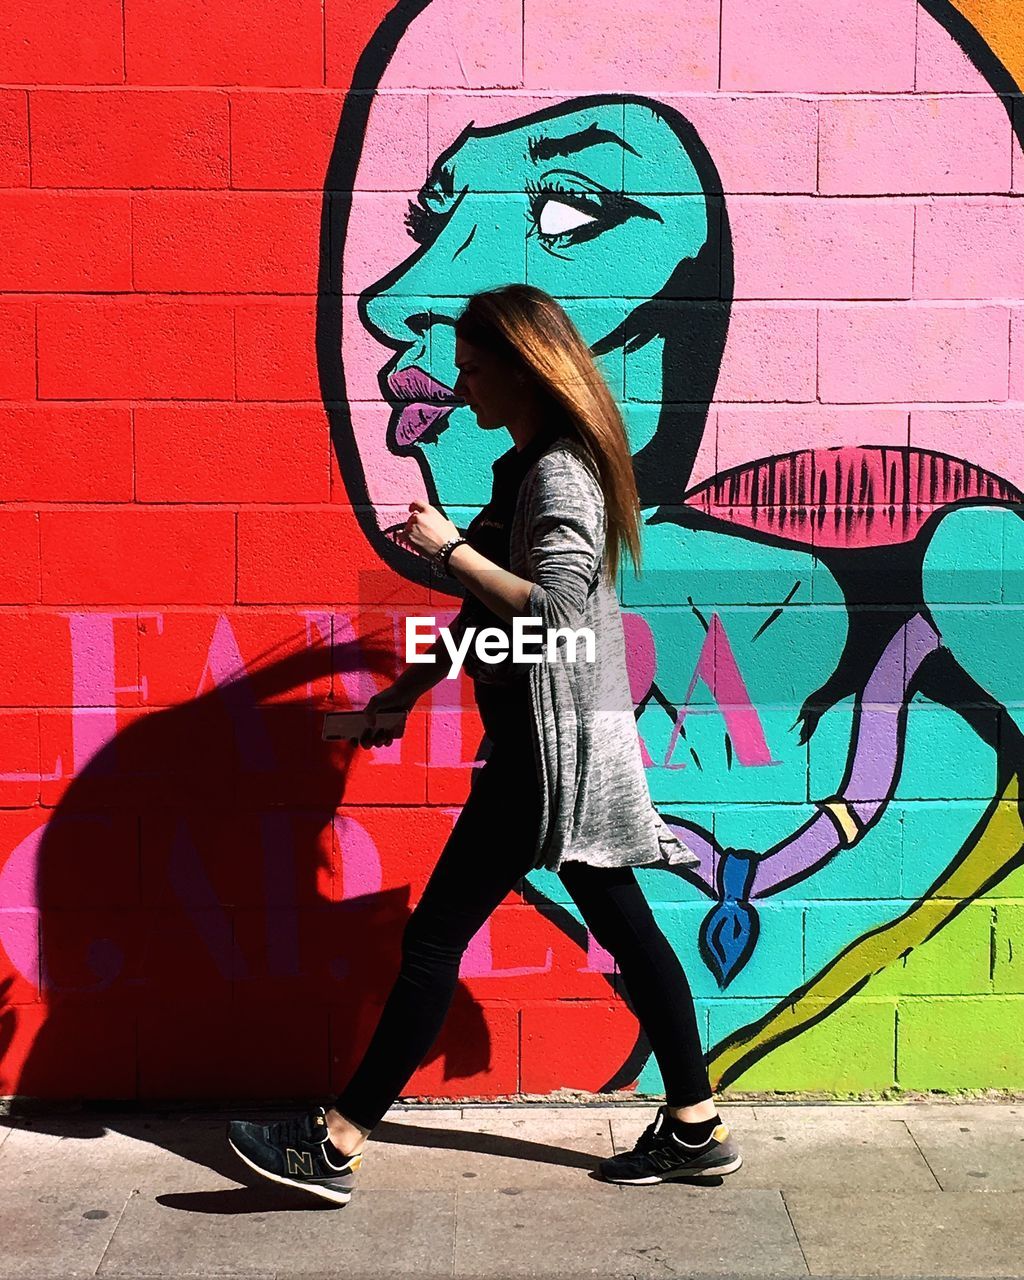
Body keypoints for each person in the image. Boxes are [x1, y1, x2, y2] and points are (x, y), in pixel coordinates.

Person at [227, 285, 742, 1205]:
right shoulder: (523, 468)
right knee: (626, 924)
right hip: (548, 745)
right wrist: (409, 689)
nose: (462, 391)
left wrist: (450, 548)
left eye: (473, 370)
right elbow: (491, 611)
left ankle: (335, 1144)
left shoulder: (560, 473)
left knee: (430, 942)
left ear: (522, 368)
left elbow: (557, 614)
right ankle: (696, 1125)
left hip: (548, 758)